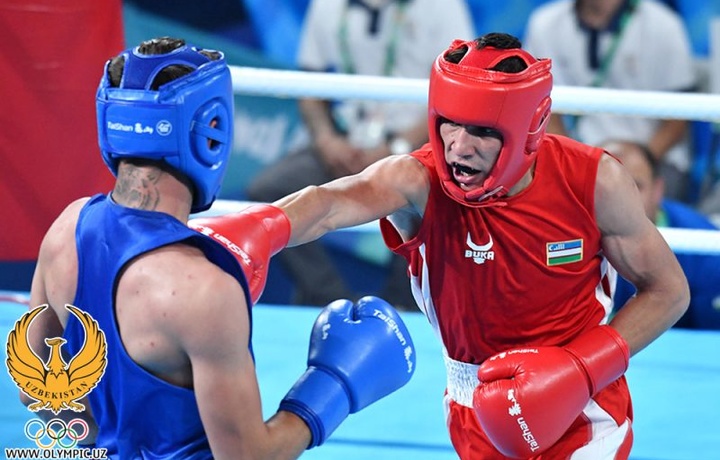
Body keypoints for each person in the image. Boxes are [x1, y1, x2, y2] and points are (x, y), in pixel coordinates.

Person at [227, 33, 690, 458]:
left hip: (584, 412)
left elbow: (669, 291)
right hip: (469, 410)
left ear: (531, 128)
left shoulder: (592, 181)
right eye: (450, 124)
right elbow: (330, 203)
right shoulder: (417, 181)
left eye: (483, 132)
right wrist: (259, 230)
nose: (458, 147)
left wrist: (581, 367)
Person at [21, 37, 416, 458]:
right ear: (210, 130)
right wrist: (331, 387)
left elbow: (37, 393)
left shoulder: (66, 229)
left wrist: (118, 438)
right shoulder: (204, 291)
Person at [246, 0, 475, 307]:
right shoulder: (327, 6)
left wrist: (397, 146)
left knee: (429, 194)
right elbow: (310, 87)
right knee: (269, 190)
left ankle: (407, 302)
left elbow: (457, 91)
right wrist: (327, 140)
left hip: (418, 145)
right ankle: (326, 297)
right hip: (345, 143)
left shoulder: (442, 6)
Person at [523, 0, 697, 202]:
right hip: (578, 154)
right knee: (536, 189)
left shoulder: (664, 25)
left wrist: (637, 164)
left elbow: (678, 121)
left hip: (653, 157)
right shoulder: (545, 23)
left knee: (638, 200)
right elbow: (541, 108)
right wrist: (571, 163)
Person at [601, 140, 720, 329]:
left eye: (636, 185)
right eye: (605, 187)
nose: (619, 196)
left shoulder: (705, 248)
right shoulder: (563, 234)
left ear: (658, 190)